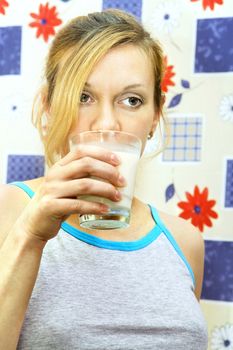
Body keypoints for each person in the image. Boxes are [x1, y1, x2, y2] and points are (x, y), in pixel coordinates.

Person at [0, 9, 208, 350]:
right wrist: (30, 234)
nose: (107, 123)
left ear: (154, 116)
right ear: (49, 107)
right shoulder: (9, 211)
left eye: (132, 100)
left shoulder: (185, 241)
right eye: (83, 96)